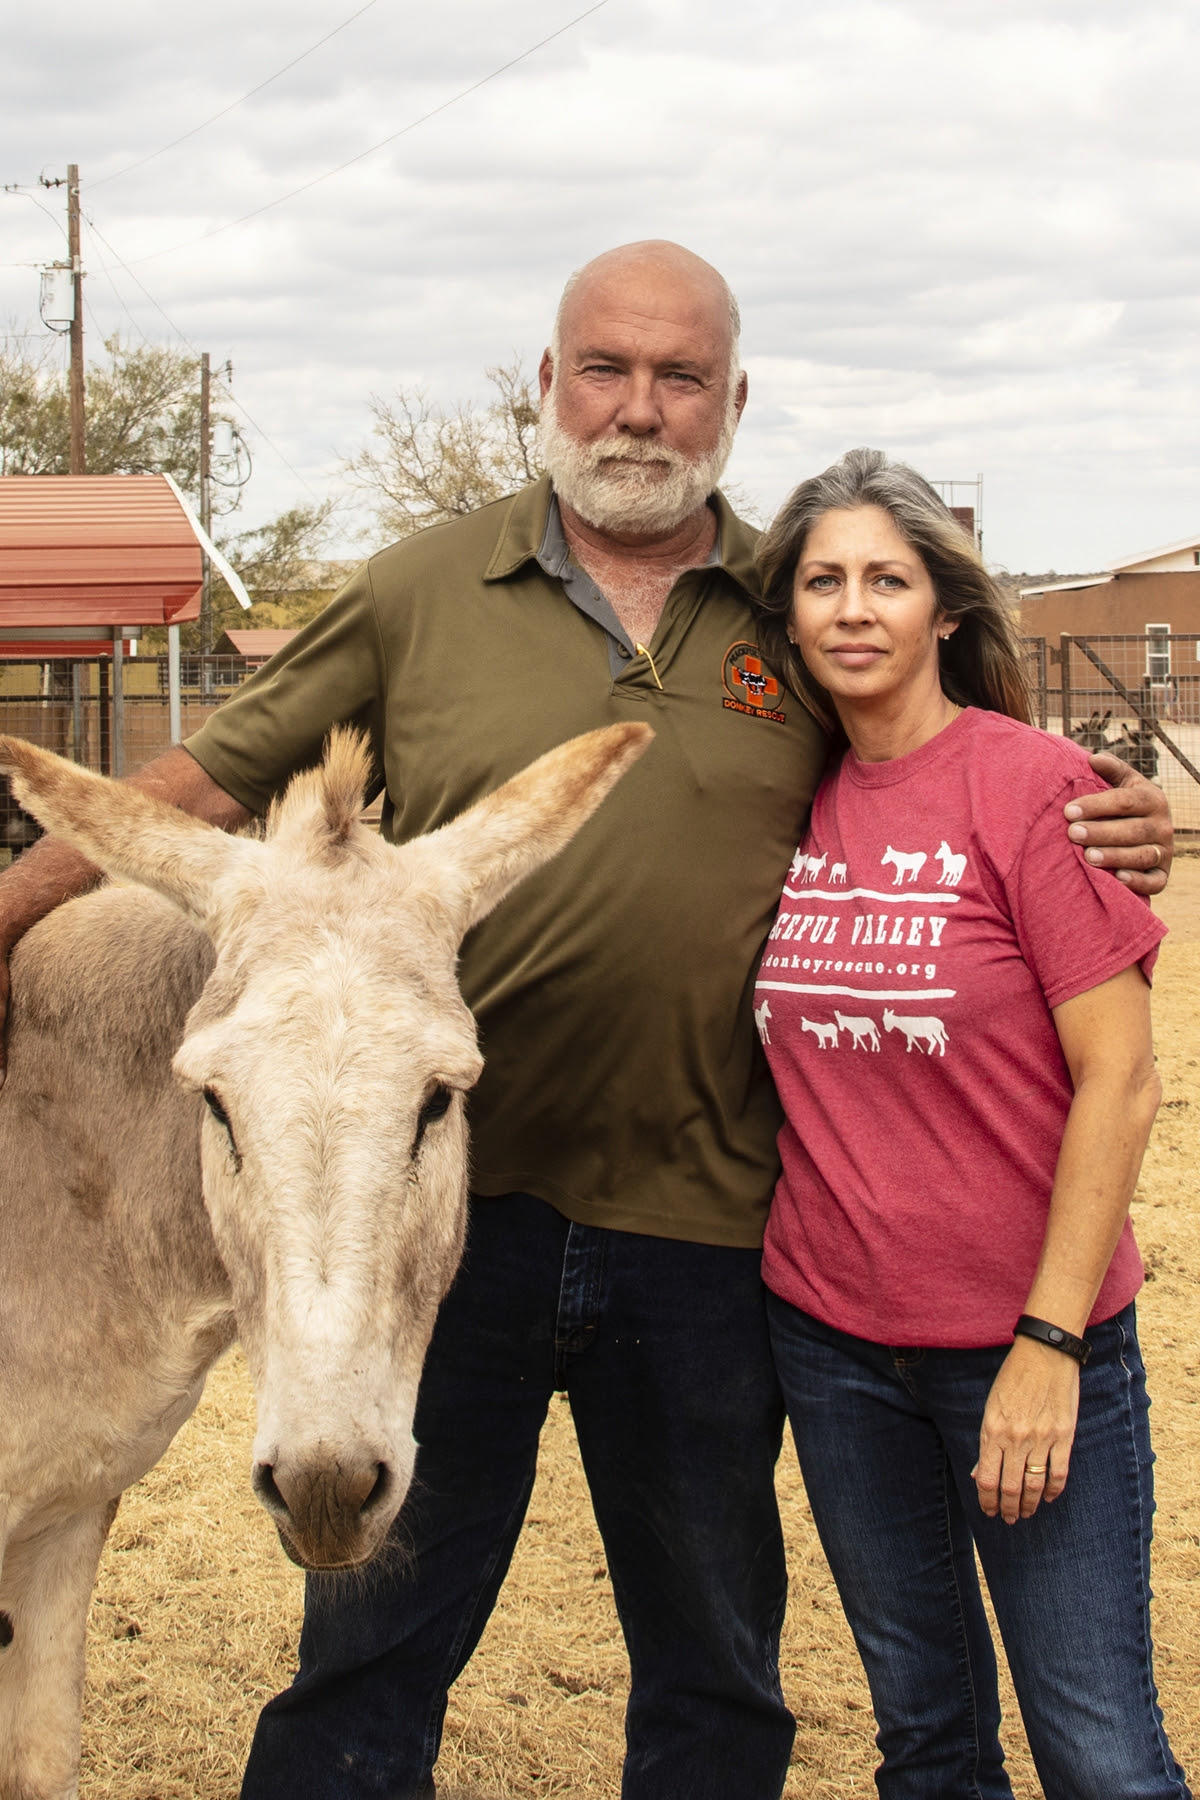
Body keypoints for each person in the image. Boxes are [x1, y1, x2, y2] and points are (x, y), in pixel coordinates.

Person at [0, 247, 1173, 1800]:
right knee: (370, 1642)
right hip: (462, 1213)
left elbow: (938, 761)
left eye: (679, 378)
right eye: (604, 371)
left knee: (711, 1656)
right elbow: (207, 778)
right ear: (545, 389)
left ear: (732, 402)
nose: (639, 410)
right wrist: (8, 911)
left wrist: (1105, 815)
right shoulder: (423, 587)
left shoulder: (795, 604)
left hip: (712, 1226)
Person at [752, 447, 1188, 1799]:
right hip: (832, 1347)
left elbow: (1121, 1079)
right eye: (823, 581)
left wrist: (1051, 1344)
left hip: (1028, 1341)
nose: (853, 608)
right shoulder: (783, 795)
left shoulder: (1036, 789)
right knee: (929, 1740)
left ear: (944, 607)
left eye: (888, 578)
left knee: (1100, 1752)